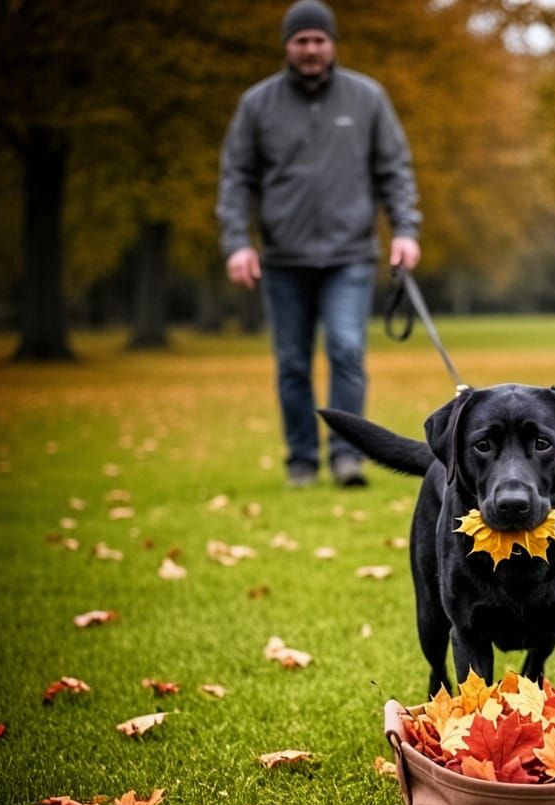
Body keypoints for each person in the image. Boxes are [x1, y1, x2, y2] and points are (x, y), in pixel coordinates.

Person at [217, 0, 421, 487]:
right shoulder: (257, 104)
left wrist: (406, 230)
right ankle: (302, 460)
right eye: (301, 40)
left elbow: (394, 171)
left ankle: (347, 457)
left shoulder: (367, 98)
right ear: (287, 45)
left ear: (332, 43)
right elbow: (236, 179)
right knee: (292, 364)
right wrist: (237, 243)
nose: (310, 49)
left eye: (318, 40)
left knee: (347, 351)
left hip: (350, 254)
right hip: (283, 259)